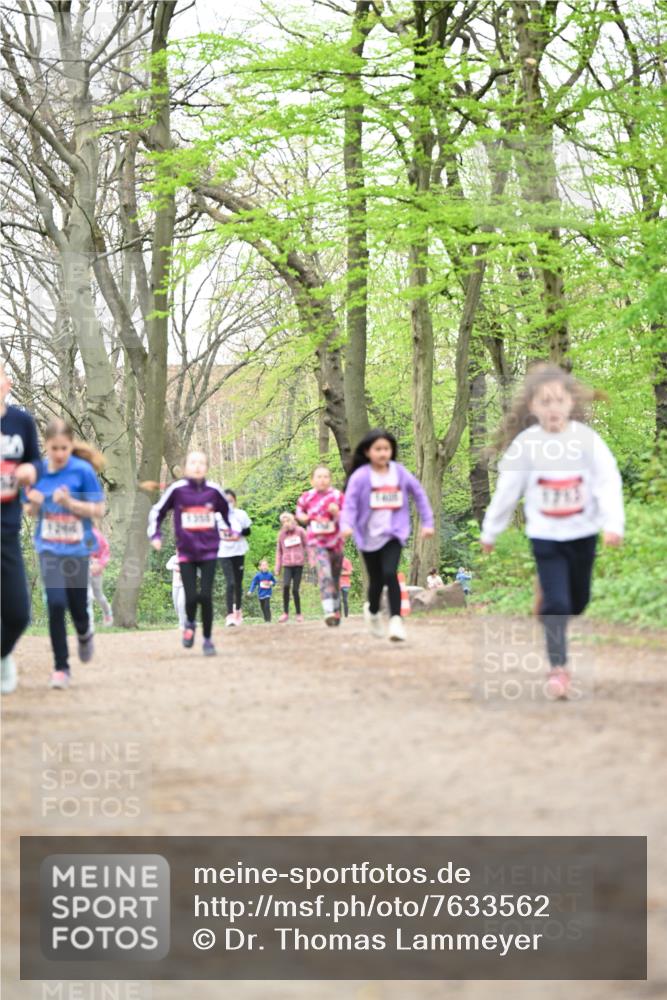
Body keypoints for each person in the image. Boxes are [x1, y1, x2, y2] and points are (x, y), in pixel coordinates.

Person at [480, 363, 624, 700]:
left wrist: (613, 524)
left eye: (558, 401)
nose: (553, 408)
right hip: (545, 535)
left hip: (583, 532)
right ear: (532, 407)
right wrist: (490, 532)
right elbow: (507, 491)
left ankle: (551, 606)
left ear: (570, 403)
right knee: (558, 603)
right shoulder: (526, 445)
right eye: (544, 402)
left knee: (579, 600)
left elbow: (608, 482)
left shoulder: (587, 441)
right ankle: (558, 669)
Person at [25, 419, 105, 690]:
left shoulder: (82, 471)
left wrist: (69, 502)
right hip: (48, 548)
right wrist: (34, 503)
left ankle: (84, 633)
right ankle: (61, 667)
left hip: (77, 548)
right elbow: (30, 510)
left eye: (64, 448)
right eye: (54, 448)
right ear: (45, 446)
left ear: (71, 446)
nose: (59, 454)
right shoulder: (38, 471)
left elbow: (99, 510)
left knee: (77, 606)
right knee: (56, 604)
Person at [341, 429, 434, 642]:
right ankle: (373, 611)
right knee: (376, 581)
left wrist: (428, 523)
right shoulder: (361, 476)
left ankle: (396, 621)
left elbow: (419, 494)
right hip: (368, 536)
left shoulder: (399, 472)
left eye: (387, 449)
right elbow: (350, 505)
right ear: (367, 451)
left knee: (390, 573)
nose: (383, 453)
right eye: (378, 449)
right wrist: (346, 524)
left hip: (394, 533)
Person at [147, 450, 230, 656]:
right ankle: (190, 625)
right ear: (185, 468)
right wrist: (155, 535)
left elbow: (228, 512)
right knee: (191, 596)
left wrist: (233, 528)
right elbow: (158, 511)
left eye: (202, 463)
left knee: (206, 596)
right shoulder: (177, 490)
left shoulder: (214, 491)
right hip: (186, 552)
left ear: (207, 468)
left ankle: (208, 640)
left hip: (209, 551)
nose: (197, 466)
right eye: (193, 463)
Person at [1, 362, 41, 694]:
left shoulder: (21, 422)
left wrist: (30, 474)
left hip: (6, 528)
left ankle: (2, 655)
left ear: (7, 383)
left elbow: (35, 462)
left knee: (17, 614)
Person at [296, 466, 345, 626]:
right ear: (312, 480)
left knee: (335, 578)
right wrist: (307, 517)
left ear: (330, 479)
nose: (322, 480)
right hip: (317, 543)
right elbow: (299, 514)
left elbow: (349, 515)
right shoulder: (306, 497)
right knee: (325, 575)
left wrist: (337, 512)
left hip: (336, 543)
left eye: (325, 476)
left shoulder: (337, 496)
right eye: (318, 477)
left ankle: (336, 609)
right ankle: (328, 610)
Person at [218, 489, 252, 627]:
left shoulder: (241, 514)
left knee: (238, 583)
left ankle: (238, 610)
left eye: (230, 501)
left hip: (239, 551)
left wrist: (238, 532)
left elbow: (248, 531)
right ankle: (229, 615)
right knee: (230, 582)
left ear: (235, 501)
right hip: (224, 553)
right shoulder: (217, 516)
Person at [275, 512, 307, 623]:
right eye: (283, 522)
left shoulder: (300, 531)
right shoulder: (281, 535)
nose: (285, 523)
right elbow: (278, 552)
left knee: (295, 590)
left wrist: (312, 559)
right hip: (287, 564)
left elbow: (308, 545)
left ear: (292, 520)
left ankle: (298, 613)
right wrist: (277, 567)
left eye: (287, 520)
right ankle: (285, 613)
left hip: (298, 564)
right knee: (286, 586)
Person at [88, 526, 113, 627]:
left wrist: (100, 564)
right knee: (87, 596)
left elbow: (105, 551)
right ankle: (89, 622)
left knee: (98, 595)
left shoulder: (96, 534)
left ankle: (108, 613)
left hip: (96, 569)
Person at [166, 554, 186, 629]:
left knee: (180, 603)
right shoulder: (174, 558)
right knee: (176, 606)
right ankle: (184, 620)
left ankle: (182, 624)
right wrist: (175, 567)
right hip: (175, 585)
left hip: (185, 585)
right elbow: (167, 566)